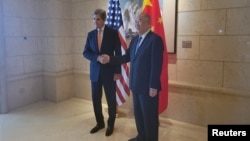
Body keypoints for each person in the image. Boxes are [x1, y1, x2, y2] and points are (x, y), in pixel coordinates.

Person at [100, 13, 164, 141]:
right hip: (135, 84)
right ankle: (141, 136)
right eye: (135, 21)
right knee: (139, 115)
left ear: (148, 23)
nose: (136, 23)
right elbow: (126, 57)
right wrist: (110, 59)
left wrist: (153, 86)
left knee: (149, 117)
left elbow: (156, 65)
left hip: (148, 88)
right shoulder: (135, 40)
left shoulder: (155, 39)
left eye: (139, 21)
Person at [83, 8, 121, 136]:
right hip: (95, 73)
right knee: (95, 99)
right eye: (94, 19)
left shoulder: (113, 33)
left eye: (97, 19)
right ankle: (100, 123)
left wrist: (117, 71)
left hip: (109, 73)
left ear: (103, 19)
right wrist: (97, 58)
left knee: (111, 100)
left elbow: (118, 53)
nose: (95, 22)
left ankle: (110, 124)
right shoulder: (90, 35)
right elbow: (86, 52)